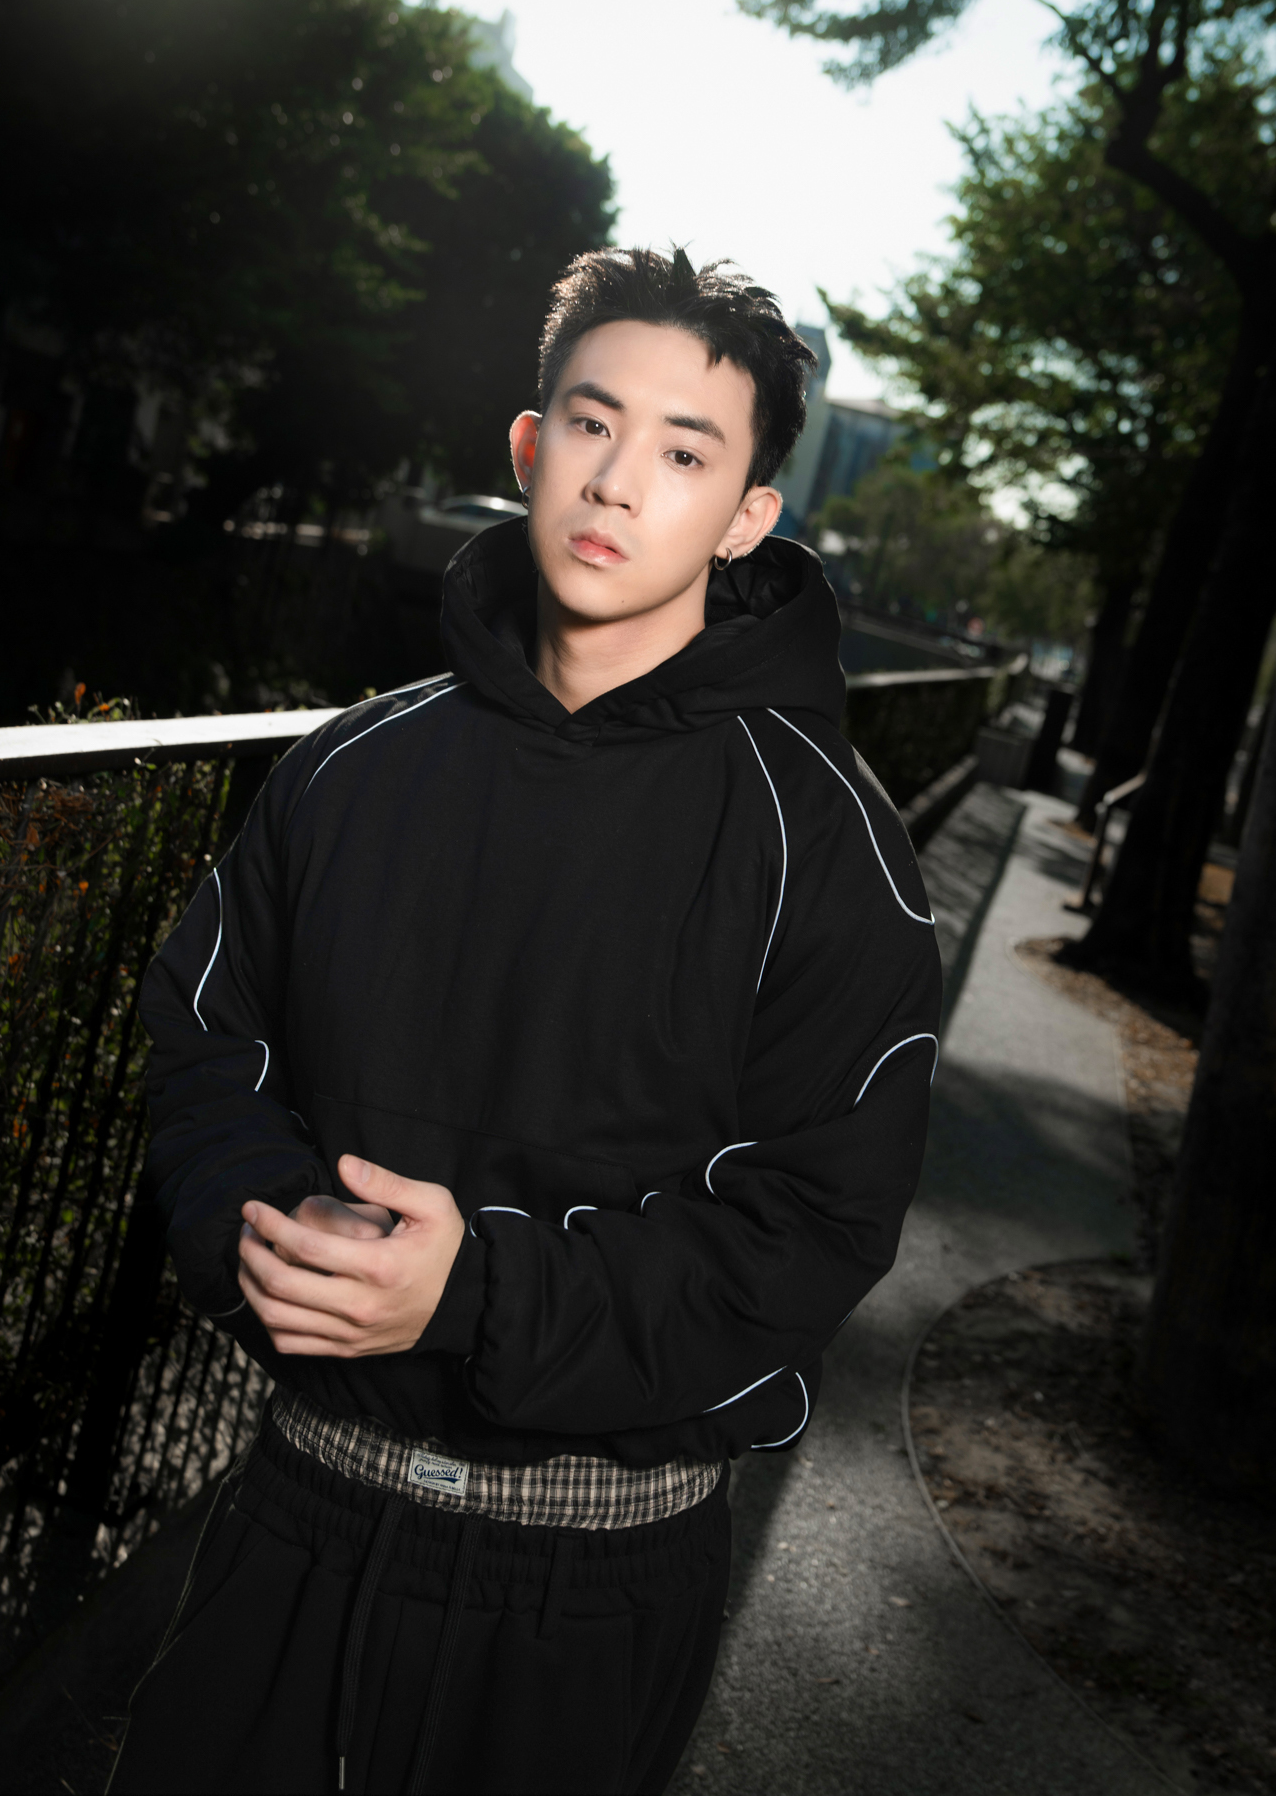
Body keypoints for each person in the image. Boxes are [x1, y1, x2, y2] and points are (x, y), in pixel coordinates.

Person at [112, 246, 942, 1796]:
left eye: (684, 453)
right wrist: (265, 1220)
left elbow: (814, 1225)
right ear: (526, 443)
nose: (617, 480)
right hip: (295, 1512)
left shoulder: (825, 846)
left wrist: (473, 1297)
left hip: (586, 1585)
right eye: (590, 423)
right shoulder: (350, 767)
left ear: (749, 515)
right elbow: (206, 1043)